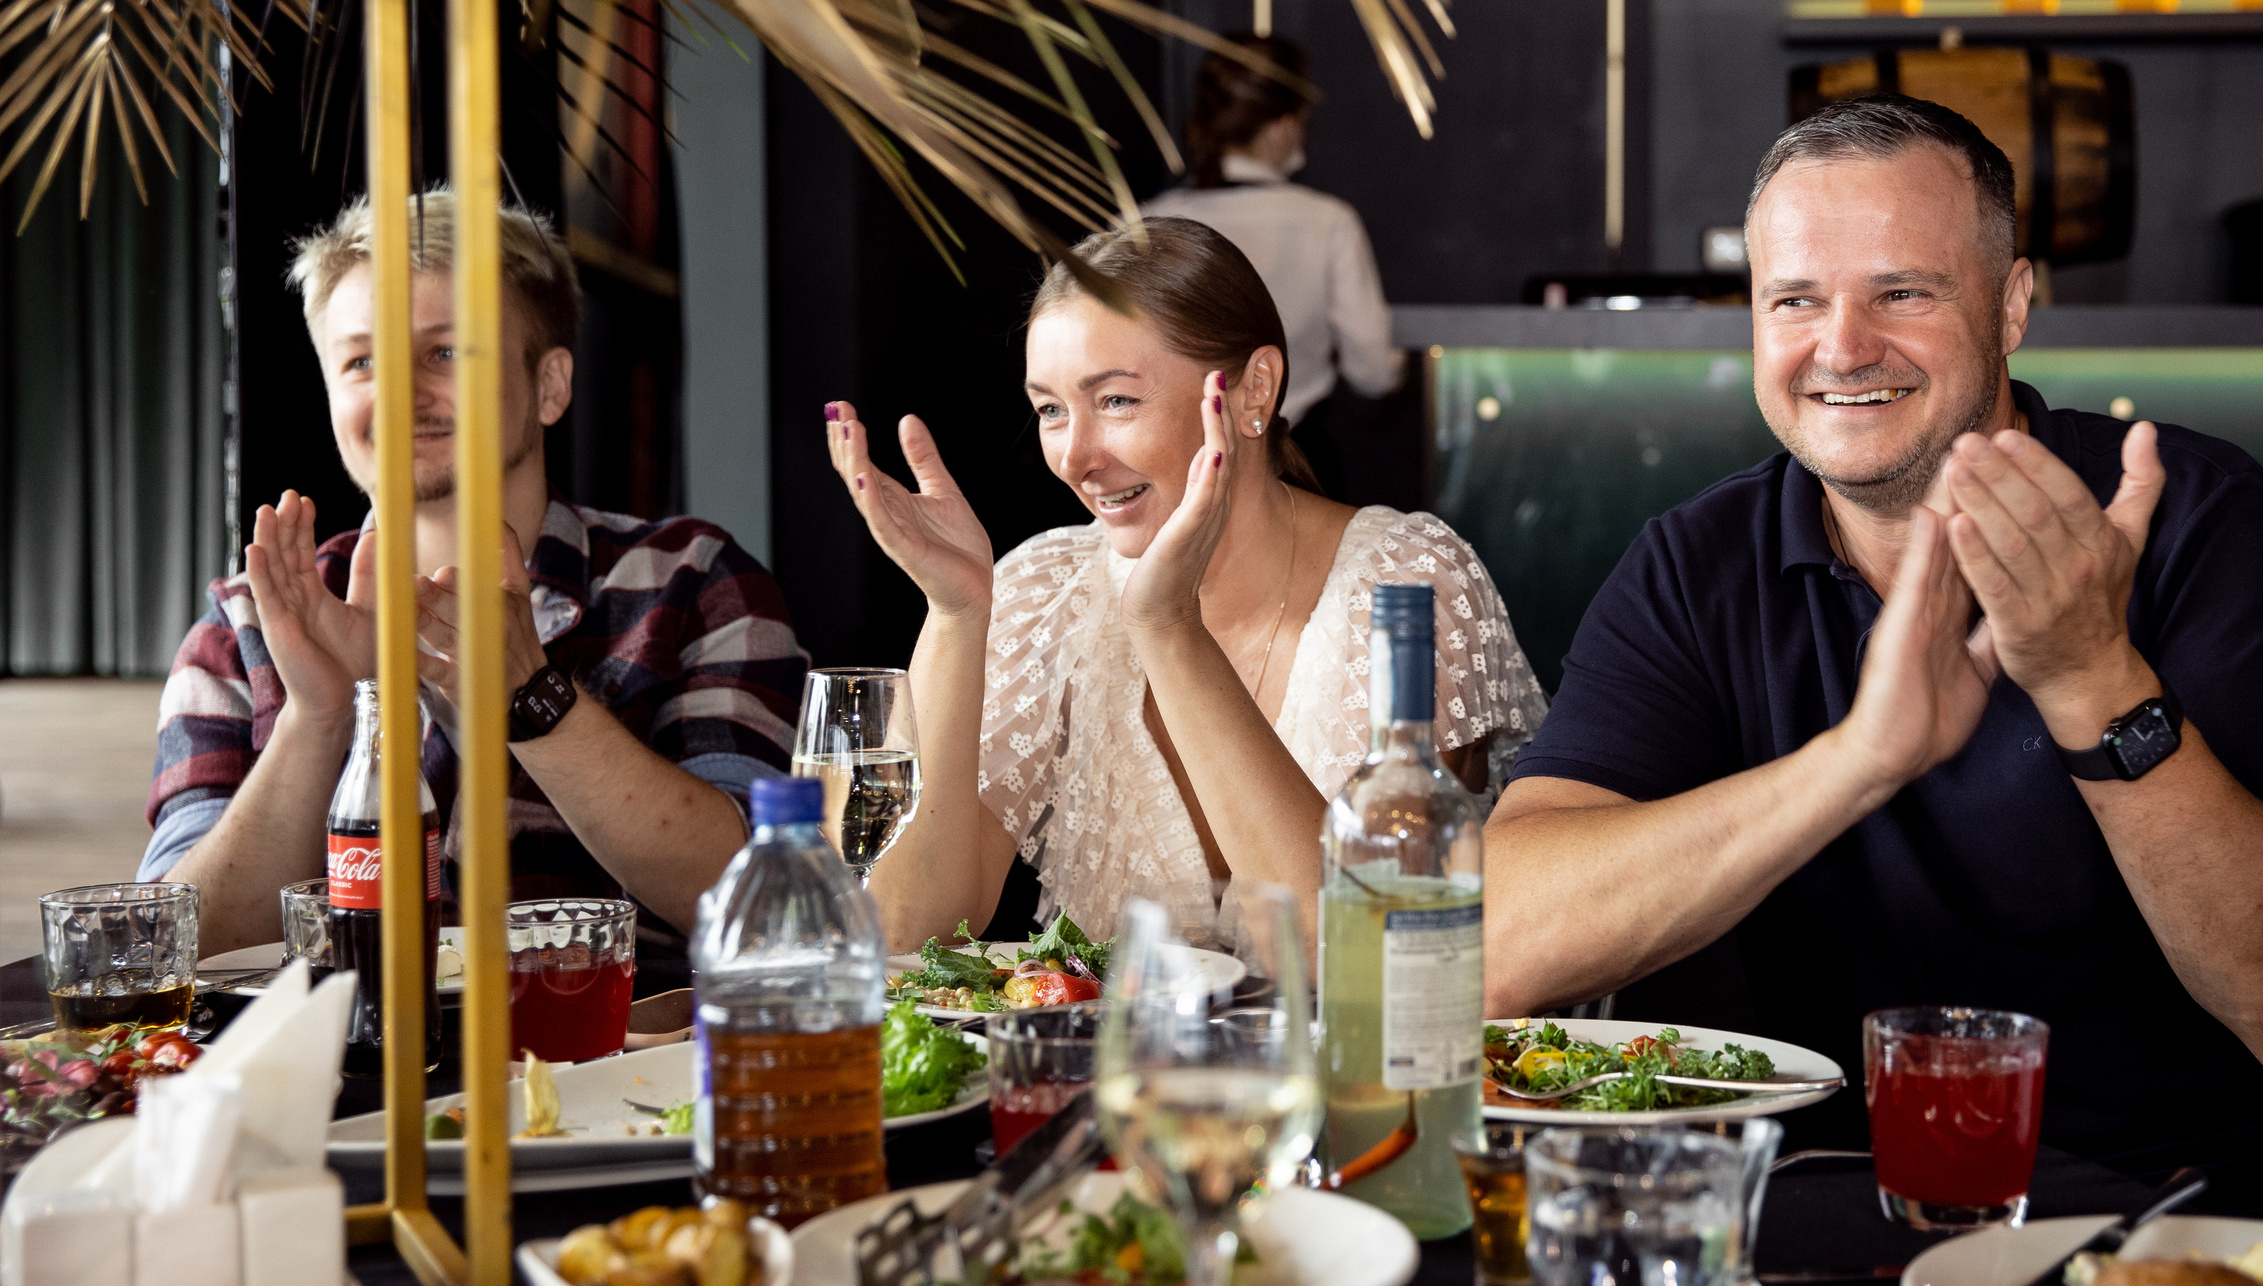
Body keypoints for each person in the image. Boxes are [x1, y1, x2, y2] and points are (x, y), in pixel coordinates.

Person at [1482, 95, 2263, 1234]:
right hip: (1860, 1224)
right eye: (1795, 302)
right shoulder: (1697, 565)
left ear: (2012, 302)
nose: (1841, 347)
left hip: (2218, 1222)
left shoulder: (2198, 519)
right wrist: (1858, 760)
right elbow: (1498, 951)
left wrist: (2089, 677)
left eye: (1901, 293)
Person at [144, 190, 807, 985]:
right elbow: (172, 952)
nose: (401, 392)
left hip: (620, 1086)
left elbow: (761, 903)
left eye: (446, 352)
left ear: (551, 384)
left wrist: (531, 693)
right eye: (362, 360)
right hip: (339, 1095)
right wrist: (323, 716)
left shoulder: (696, 582)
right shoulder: (244, 625)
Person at [826, 216, 1543, 951]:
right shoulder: (1046, 589)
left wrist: (1167, 628)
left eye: (1115, 401)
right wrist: (955, 614)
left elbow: (1361, 957)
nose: (1075, 456)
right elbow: (908, 931)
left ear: (1251, 389)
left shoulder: (1406, 584)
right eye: (1050, 409)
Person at [1141, 36, 1403, 499]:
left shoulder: (1140, 224)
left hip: (1169, 467)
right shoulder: (1329, 222)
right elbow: (1374, 370)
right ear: (1284, 124)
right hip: (1293, 466)